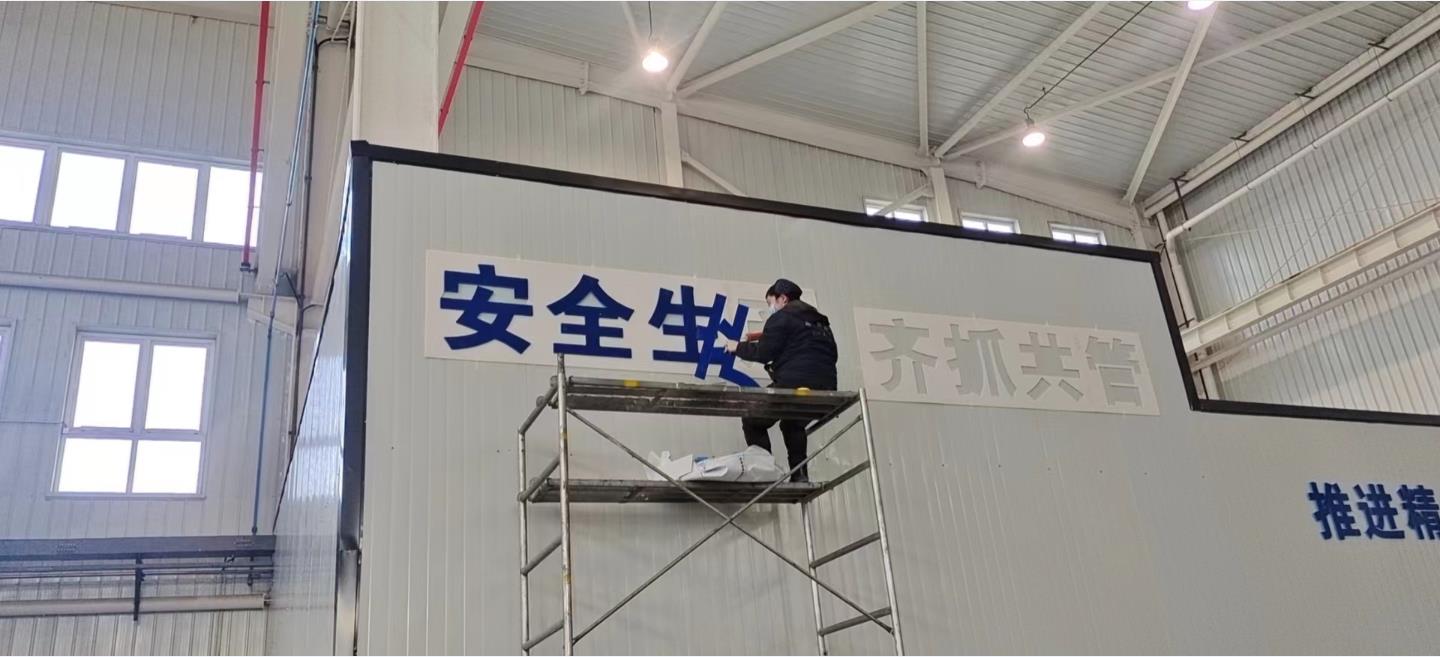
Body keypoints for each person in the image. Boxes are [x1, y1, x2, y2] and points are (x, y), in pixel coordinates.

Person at [725, 278, 838, 483]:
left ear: (783, 299)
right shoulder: (820, 322)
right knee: (792, 423)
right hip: (826, 389)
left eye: (771, 303)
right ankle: (800, 475)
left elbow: (763, 352)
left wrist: (737, 347)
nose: (771, 308)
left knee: (752, 416)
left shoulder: (782, 317)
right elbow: (828, 353)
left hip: (795, 384)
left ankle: (764, 472)